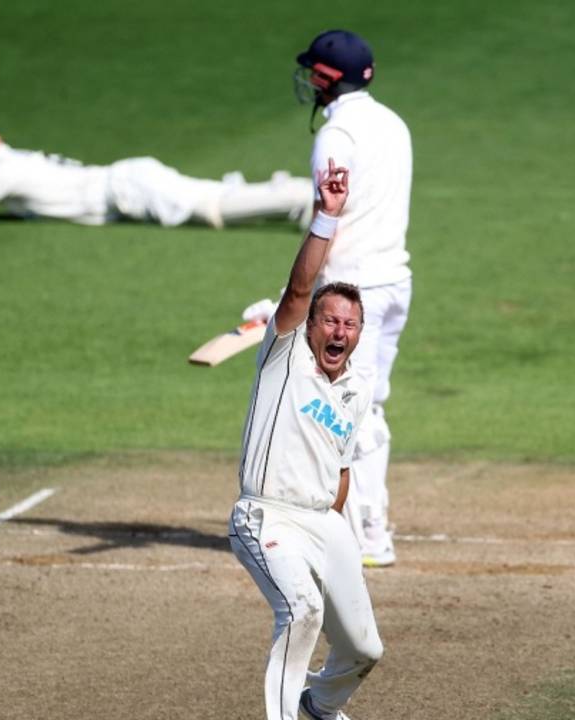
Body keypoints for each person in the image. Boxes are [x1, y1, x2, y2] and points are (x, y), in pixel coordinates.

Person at [244, 29, 412, 567]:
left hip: (348, 287)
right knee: (369, 404)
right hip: (393, 280)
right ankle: (372, 526)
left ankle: (365, 537)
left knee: (346, 410)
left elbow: (330, 218)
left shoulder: (336, 135)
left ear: (325, 78)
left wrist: (291, 301)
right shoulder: (394, 124)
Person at [229, 159, 382, 720]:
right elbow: (298, 289)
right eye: (330, 321)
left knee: (365, 648)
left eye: (350, 325)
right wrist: (326, 216)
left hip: (323, 522)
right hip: (266, 515)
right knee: (301, 611)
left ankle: (319, 704)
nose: (339, 331)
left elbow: (340, 472)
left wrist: (331, 535)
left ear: (359, 334)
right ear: (311, 326)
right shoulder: (284, 356)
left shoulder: (357, 390)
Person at [0, 116, 313, 228]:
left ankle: (300, 196)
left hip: (124, 188)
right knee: (213, 195)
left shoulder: (1, 174)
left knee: (213, 207)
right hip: (128, 179)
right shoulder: (10, 165)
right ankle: (295, 196)